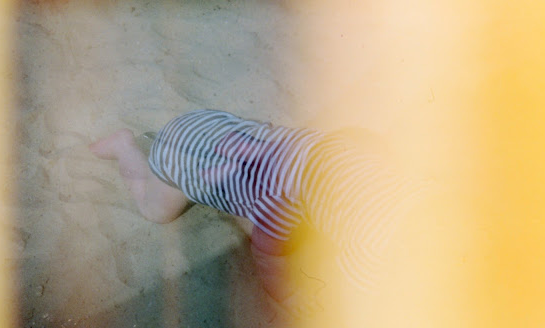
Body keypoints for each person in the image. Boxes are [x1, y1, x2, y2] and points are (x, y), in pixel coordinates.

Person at [89, 110, 423, 315]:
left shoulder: (336, 151)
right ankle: (124, 147)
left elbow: (358, 142)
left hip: (219, 127)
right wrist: (285, 292)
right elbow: (265, 252)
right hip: (181, 155)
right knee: (155, 211)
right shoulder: (281, 203)